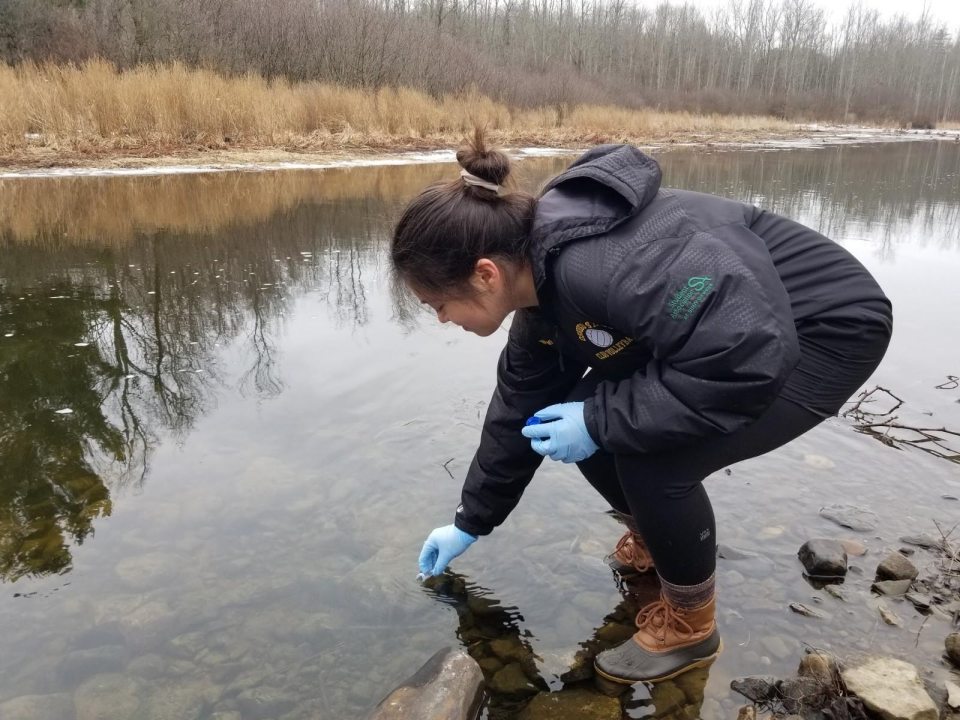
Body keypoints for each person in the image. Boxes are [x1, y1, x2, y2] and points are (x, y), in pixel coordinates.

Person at [391, 130, 892, 683]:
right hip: (733, 331)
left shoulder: (602, 265)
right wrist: (469, 521)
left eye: (437, 304)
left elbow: (745, 356)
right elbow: (518, 408)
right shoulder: (539, 287)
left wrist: (603, 421)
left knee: (647, 455)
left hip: (822, 330)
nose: (440, 320)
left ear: (485, 274)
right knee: (575, 414)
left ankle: (691, 626)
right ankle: (661, 544)